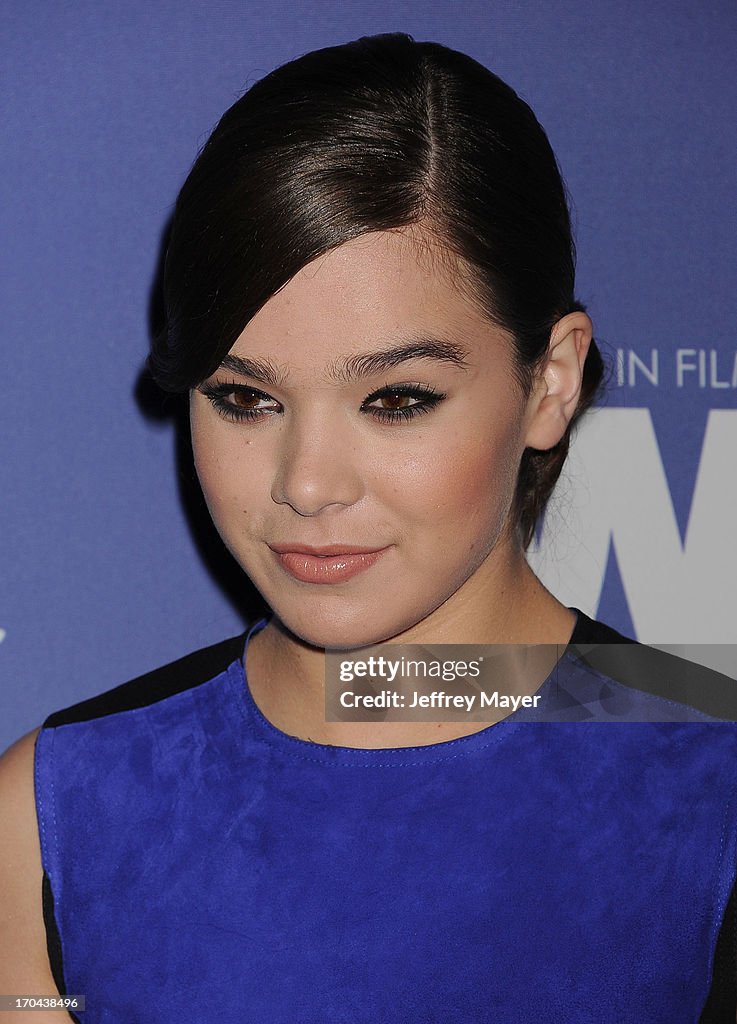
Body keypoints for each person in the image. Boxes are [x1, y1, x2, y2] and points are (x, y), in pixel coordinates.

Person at [1, 32, 736, 1023]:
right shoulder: (57, 815)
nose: (306, 483)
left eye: (394, 399)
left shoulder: (712, 778)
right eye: (243, 398)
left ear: (548, 382)